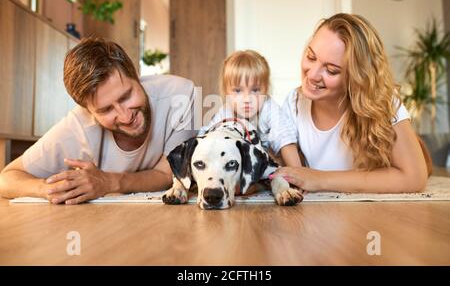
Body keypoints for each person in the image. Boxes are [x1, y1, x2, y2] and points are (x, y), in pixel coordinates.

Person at [0, 37, 196, 204]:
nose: (126, 116)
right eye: (106, 109)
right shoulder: (77, 127)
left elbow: (166, 175)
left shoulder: (180, 96)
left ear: (136, 74)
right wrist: (51, 189)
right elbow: (6, 179)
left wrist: (109, 182)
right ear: (88, 110)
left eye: (126, 96)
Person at [273, 13, 432, 193]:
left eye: (331, 70)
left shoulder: (383, 102)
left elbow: (414, 178)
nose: (312, 75)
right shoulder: (294, 103)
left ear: (356, 77)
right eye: (311, 57)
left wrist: (320, 179)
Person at [200, 50, 302, 167]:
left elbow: (285, 139)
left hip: (269, 167)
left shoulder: (268, 108)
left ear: (266, 89)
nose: (247, 99)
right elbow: (206, 138)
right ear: (226, 91)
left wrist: (297, 173)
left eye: (255, 90)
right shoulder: (225, 112)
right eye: (238, 91)